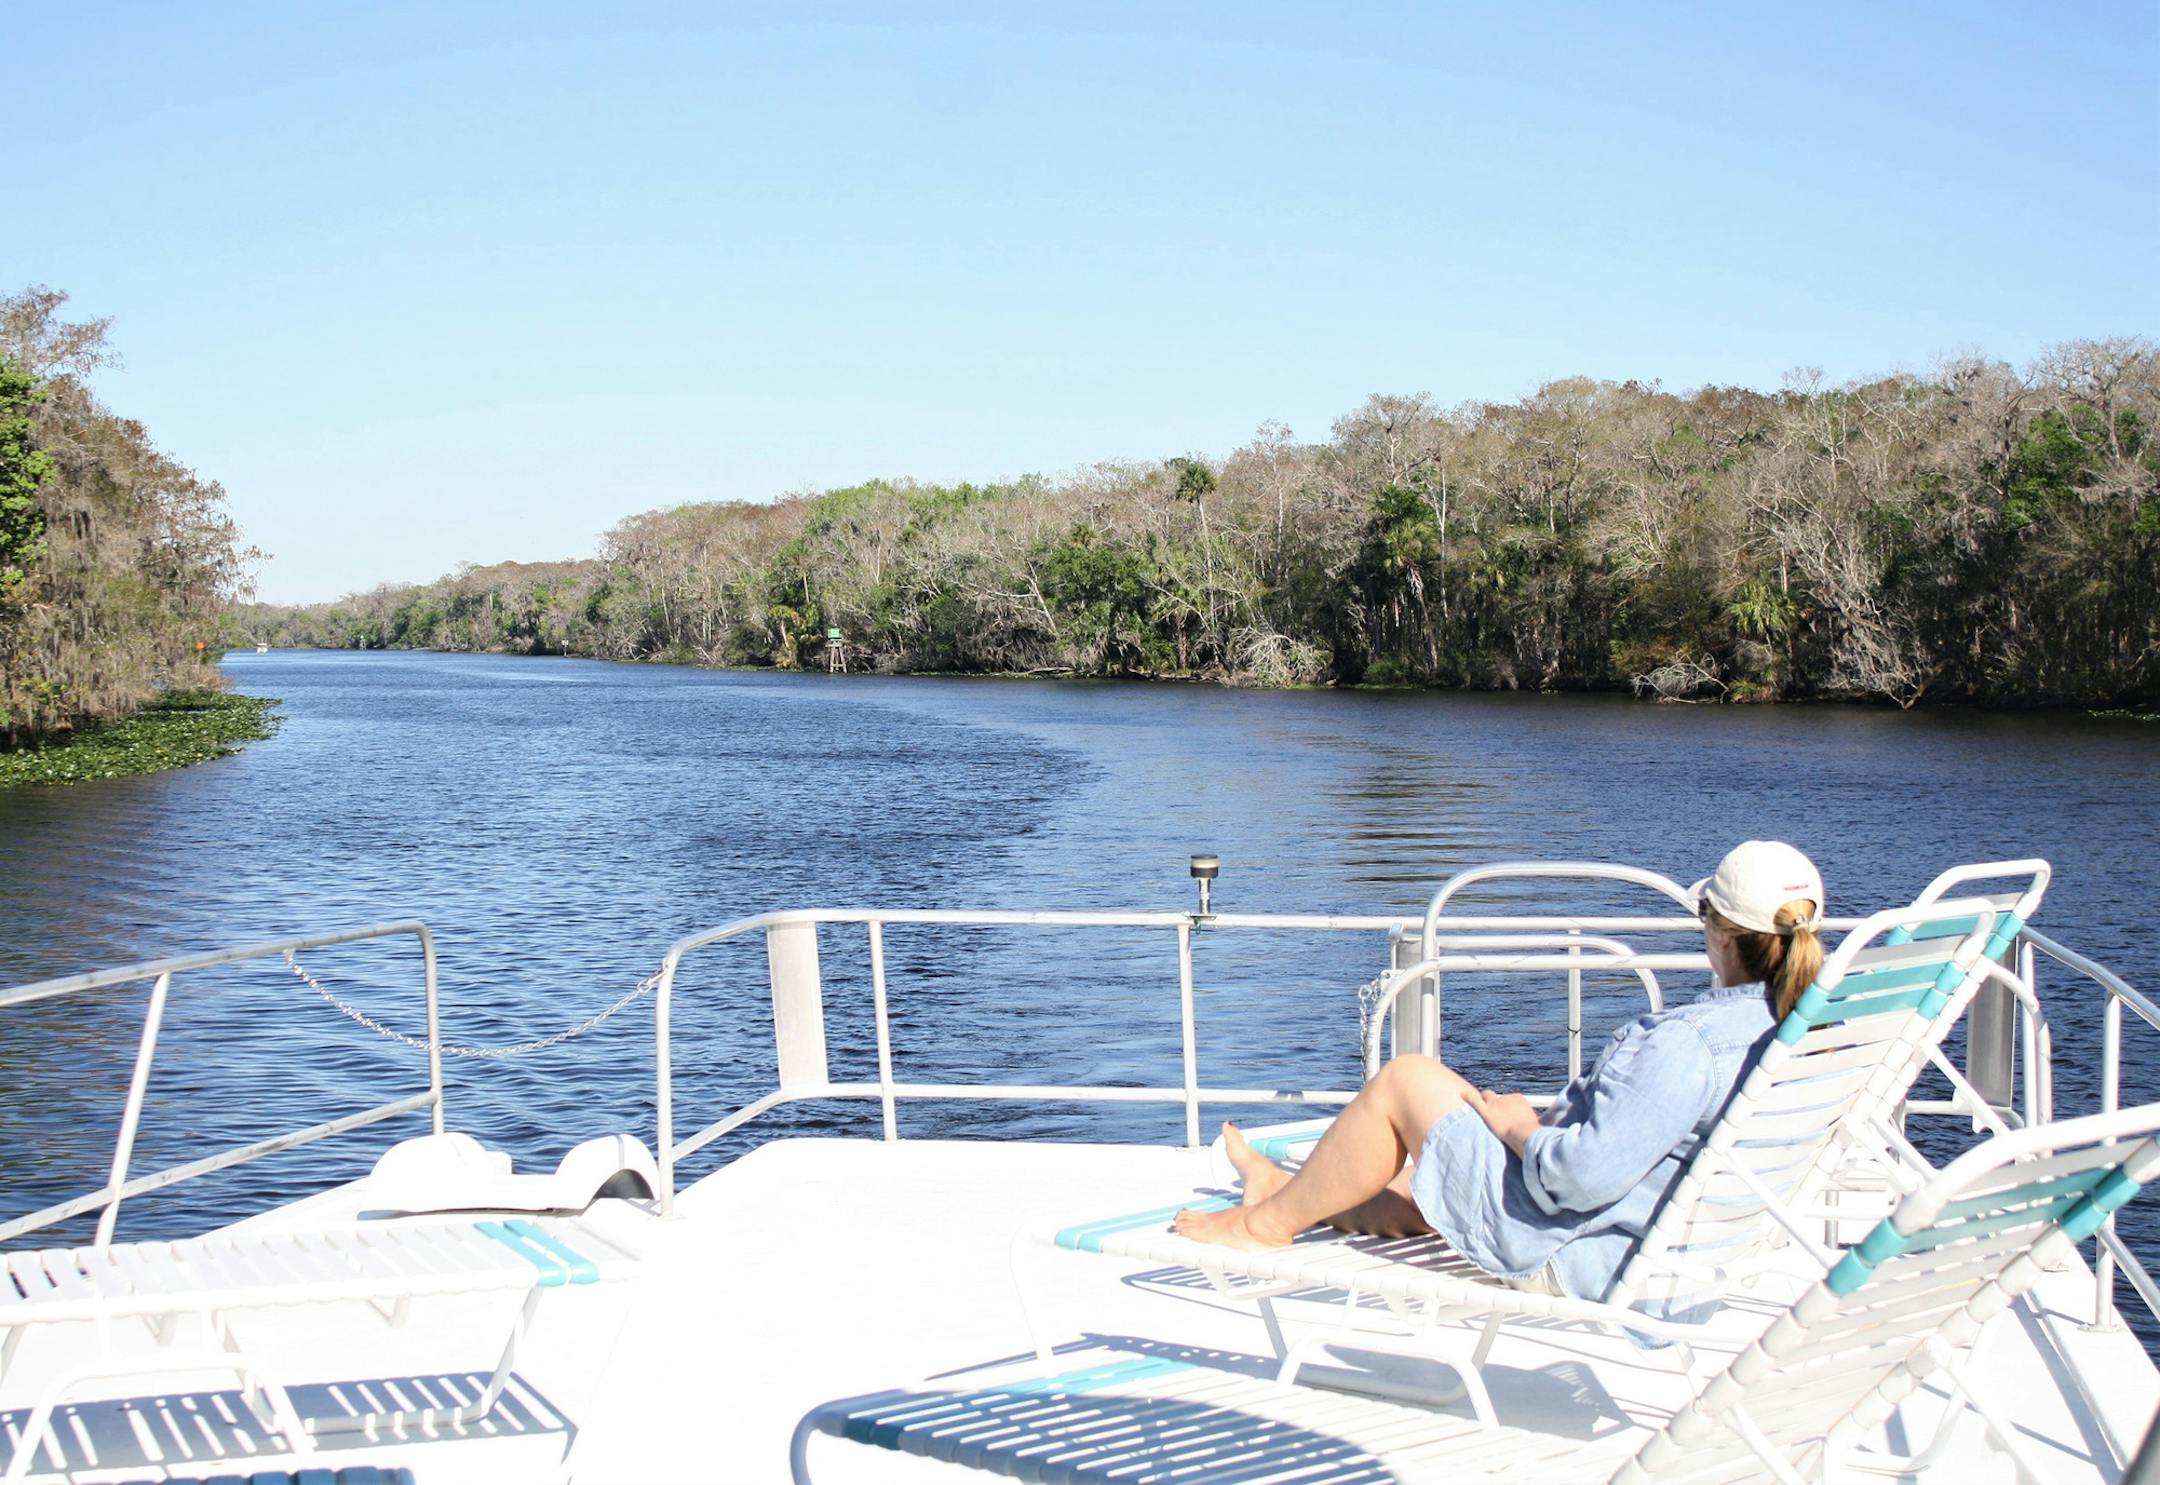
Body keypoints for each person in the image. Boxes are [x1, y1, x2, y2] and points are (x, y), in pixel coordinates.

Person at [1175, 840, 1826, 1304]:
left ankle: (1265, 1224)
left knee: (1408, 1078)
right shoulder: (1804, 1031)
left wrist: (1519, 1129)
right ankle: (1281, 1187)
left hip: (1586, 1255)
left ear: (1716, 931)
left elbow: (1576, 1177)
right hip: (1681, 1247)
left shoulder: (1692, 1046)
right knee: (1439, 1143)